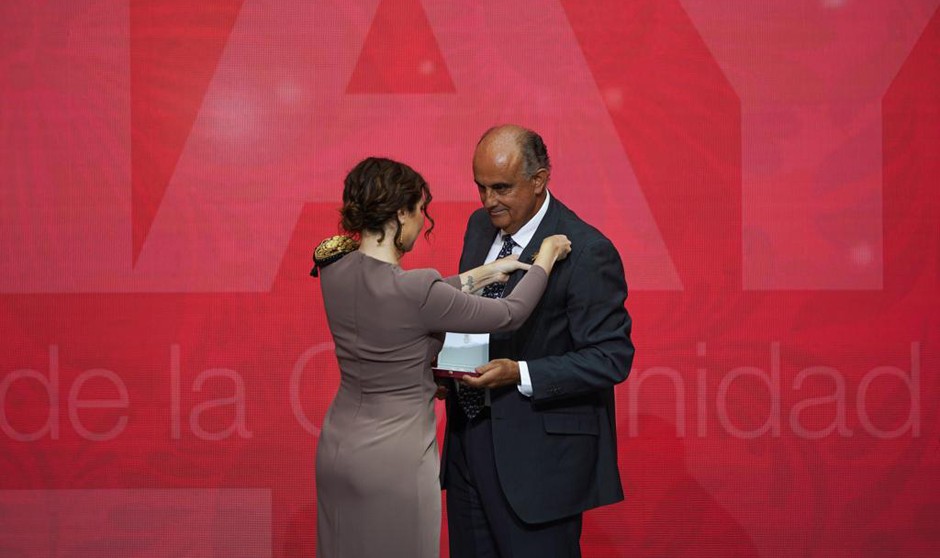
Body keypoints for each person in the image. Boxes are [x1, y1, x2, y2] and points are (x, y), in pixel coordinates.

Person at [312, 156, 571, 558]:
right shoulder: (415, 290)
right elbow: (509, 314)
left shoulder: (333, 267)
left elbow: (412, 302)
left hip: (336, 449)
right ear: (400, 213)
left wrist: (482, 275)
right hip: (395, 459)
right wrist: (545, 258)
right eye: (420, 211)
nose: (422, 222)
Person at [442, 125, 635, 558]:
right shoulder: (479, 227)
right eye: (481, 187)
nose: (488, 201)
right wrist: (448, 363)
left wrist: (520, 373)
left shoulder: (587, 249)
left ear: (539, 180)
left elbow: (611, 357)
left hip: (540, 463)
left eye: (501, 188)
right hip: (467, 445)